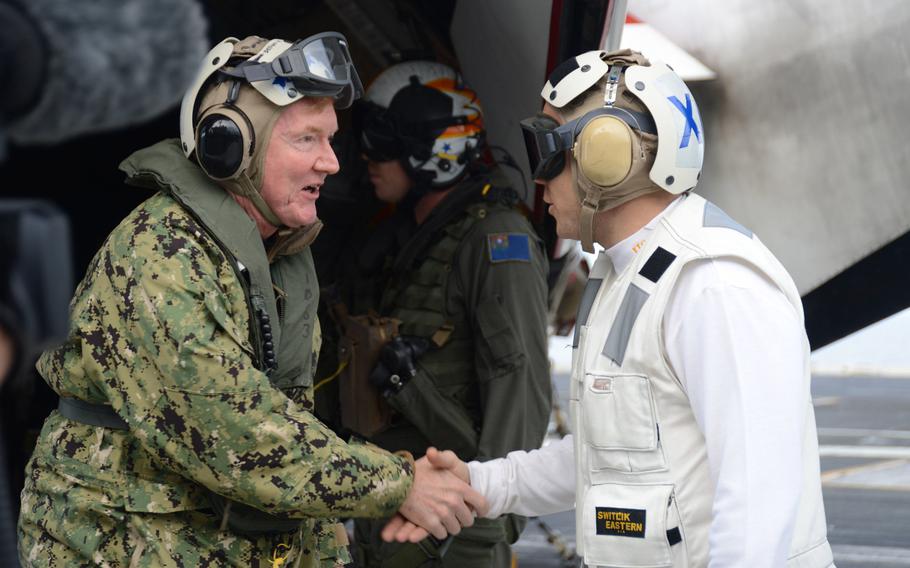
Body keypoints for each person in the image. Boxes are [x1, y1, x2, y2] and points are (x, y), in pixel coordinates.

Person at [16, 35, 485, 568]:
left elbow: (288, 419)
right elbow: (234, 437)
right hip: (122, 543)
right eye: (307, 139)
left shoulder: (274, 254)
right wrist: (401, 487)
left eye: (330, 140)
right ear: (230, 145)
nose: (331, 163)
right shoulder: (161, 256)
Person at [385, 49, 834, 567]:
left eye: (550, 150)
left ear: (608, 158)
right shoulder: (626, 275)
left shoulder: (714, 285)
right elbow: (611, 456)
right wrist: (481, 480)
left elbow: (759, 504)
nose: (538, 178)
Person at [331, 61, 551, 567]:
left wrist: (476, 539)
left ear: (431, 149)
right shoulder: (403, 239)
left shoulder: (498, 241)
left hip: (448, 538)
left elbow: (520, 392)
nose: (368, 155)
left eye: (384, 140)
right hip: (393, 521)